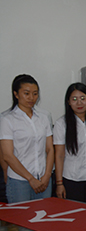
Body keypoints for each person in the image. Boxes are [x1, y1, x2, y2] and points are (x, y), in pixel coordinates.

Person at [0, 75, 54, 203]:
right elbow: (7, 155)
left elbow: (50, 149)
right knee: (21, 220)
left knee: (44, 218)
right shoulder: (7, 119)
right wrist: (30, 179)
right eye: (26, 93)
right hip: (19, 180)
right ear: (16, 94)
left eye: (35, 94)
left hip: (43, 179)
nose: (31, 98)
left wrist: (47, 176)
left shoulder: (43, 118)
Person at [54, 83, 86, 204]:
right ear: (68, 102)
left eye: (83, 98)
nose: (79, 103)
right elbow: (59, 155)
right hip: (72, 180)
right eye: (74, 99)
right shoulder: (61, 124)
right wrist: (59, 183)